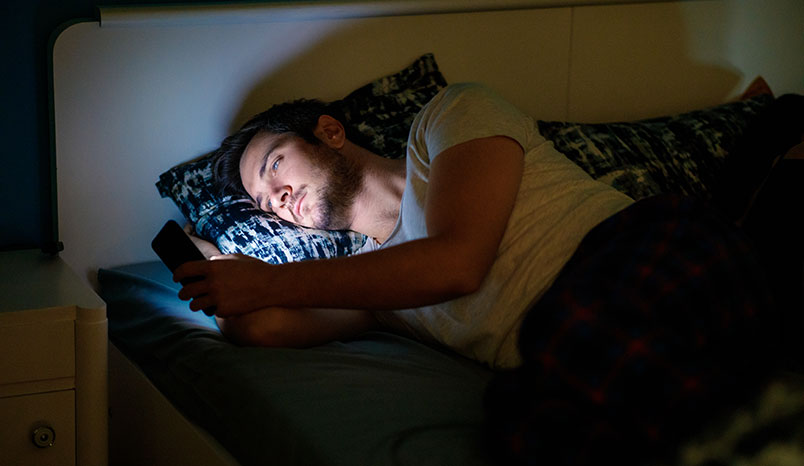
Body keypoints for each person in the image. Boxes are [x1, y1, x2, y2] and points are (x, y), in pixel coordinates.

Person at [174, 82, 634, 369]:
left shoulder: (450, 116)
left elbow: (457, 262)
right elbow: (261, 328)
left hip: (632, 266)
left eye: (275, 165)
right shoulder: (375, 286)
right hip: (583, 359)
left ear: (331, 132)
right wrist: (214, 267)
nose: (277, 199)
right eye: (263, 202)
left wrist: (269, 282)